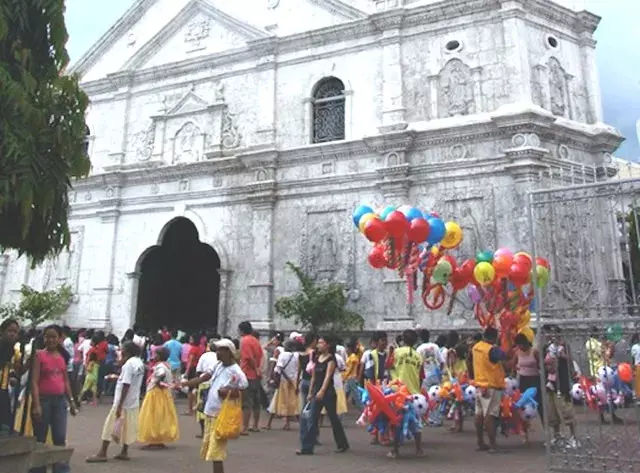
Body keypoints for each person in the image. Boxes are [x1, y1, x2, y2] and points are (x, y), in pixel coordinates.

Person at [182, 339, 248, 473]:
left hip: (220, 414)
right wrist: (184, 384)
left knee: (217, 451)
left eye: (220, 350)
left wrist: (228, 391)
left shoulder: (236, 371)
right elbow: (203, 378)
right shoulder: (218, 365)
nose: (217, 353)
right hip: (211, 413)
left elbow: (242, 391)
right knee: (213, 451)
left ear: (229, 353)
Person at [86, 341, 145, 463]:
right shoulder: (139, 362)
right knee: (128, 426)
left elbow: (126, 385)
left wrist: (119, 405)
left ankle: (102, 452)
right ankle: (124, 451)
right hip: (133, 401)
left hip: (123, 401)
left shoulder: (128, 364)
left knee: (110, 426)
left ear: (126, 351)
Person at [31, 325, 78, 473]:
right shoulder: (39, 355)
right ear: (43, 338)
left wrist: (71, 401)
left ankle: (61, 469)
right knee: (40, 438)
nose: (50, 340)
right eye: (47, 336)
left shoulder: (62, 356)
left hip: (59, 402)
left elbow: (65, 381)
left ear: (60, 339)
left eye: (54, 337)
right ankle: (38, 468)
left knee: (59, 437)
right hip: (43, 401)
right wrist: (37, 404)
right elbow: (34, 381)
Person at [297, 336, 349, 455]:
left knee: (333, 419)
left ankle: (342, 443)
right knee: (312, 418)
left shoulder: (331, 360)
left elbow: (328, 377)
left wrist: (322, 390)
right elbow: (314, 377)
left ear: (327, 345)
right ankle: (307, 447)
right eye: (319, 343)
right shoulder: (317, 358)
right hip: (317, 392)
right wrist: (311, 392)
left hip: (329, 393)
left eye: (321, 343)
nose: (319, 345)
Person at [389, 329, 424, 458]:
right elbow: (421, 376)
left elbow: (388, 367)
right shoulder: (419, 356)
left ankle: (395, 450)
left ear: (403, 339)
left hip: (398, 392)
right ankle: (419, 449)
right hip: (414, 392)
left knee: (395, 421)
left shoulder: (396, 352)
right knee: (416, 422)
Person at [472, 327, 507, 453]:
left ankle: (480, 442)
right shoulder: (491, 349)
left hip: (479, 384)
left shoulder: (476, 347)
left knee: (479, 415)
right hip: (491, 385)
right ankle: (493, 445)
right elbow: (503, 356)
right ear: (494, 337)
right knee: (490, 415)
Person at [544, 329, 579, 448]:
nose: (552, 337)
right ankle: (557, 435)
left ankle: (573, 437)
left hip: (563, 381)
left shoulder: (565, 347)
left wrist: (564, 357)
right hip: (550, 382)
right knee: (552, 410)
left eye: (555, 335)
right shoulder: (547, 348)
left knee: (566, 410)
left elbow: (571, 362)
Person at [138, 347, 179, 449]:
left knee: (153, 416)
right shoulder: (166, 365)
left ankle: (154, 440)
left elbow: (160, 374)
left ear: (159, 356)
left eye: (155, 354)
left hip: (156, 394)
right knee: (161, 416)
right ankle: (159, 439)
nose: (153, 356)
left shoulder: (161, 366)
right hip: (163, 394)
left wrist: (157, 381)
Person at [512, 332, 542, 444]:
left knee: (539, 405)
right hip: (523, 381)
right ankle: (525, 434)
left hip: (535, 380)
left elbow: (540, 365)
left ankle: (547, 432)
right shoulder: (517, 353)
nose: (521, 347)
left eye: (521, 345)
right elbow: (513, 366)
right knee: (523, 407)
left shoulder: (534, 351)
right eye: (518, 345)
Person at [266, 340, 299, 430]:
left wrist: (275, 377)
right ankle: (287, 423)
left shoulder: (283, 355)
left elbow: (279, 369)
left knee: (276, 400)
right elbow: (298, 369)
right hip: (293, 381)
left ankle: (269, 423)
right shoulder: (296, 356)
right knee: (289, 401)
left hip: (283, 381)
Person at [238, 321, 263, 434]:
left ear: (242, 330)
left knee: (246, 402)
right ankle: (255, 425)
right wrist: (259, 369)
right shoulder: (255, 341)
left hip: (248, 373)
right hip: (256, 374)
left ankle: (245, 427)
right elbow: (260, 356)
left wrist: (255, 369)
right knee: (256, 401)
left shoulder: (245, 341)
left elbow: (248, 358)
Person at [0, 319, 20, 434]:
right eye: (10, 331)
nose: (13, 334)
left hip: (3, 386)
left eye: (15, 332)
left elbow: (11, 367)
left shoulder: (13, 349)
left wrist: (12, 375)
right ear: (2, 331)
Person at [195, 339, 218, 438]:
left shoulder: (204, 356)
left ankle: (203, 432)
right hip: (216, 384)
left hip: (204, 384)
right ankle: (214, 431)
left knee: (201, 408)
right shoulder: (221, 357)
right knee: (215, 408)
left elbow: (199, 371)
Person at [631, 333, 640, 399]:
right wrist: (633, 369)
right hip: (638, 366)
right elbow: (633, 359)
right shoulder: (635, 347)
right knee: (638, 383)